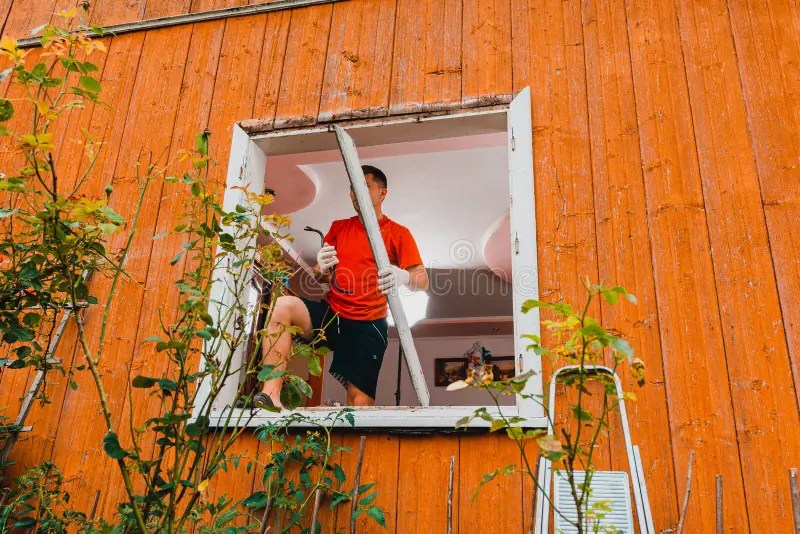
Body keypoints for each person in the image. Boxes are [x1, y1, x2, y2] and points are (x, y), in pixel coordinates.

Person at [255, 165, 429, 408]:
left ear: (383, 193)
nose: (356, 192)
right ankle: (271, 396)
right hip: (333, 315)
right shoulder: (339, 227)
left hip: (368, 323)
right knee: (283, 306)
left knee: (359, 400)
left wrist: (403, 276)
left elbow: (422, 280)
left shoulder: (399, 233)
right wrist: (320, 268)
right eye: (352, 188)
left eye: (365, 185)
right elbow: (322, 277)